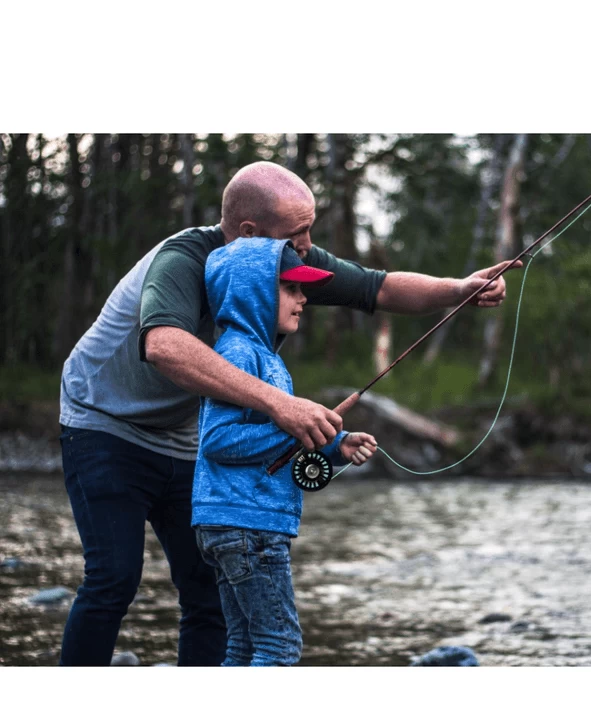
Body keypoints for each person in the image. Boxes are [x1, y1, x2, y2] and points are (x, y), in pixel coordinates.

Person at [58, 160, 520, 666]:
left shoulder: (282, 260)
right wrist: (281, 406)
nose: (307, 243)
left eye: (309, 228)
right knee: (114, 578)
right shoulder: (186, 260)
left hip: (186, 434)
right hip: (103, 420)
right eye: (298, 231)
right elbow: (164, 346)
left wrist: (457, 289)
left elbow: (377, 287)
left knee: (207, 591)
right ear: (250, 231)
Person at [193, 236, 377, 666]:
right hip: (247, 524)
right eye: (290, 288)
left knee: (242, 646)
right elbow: (217, 441)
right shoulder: (239, 353)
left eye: (303, 290)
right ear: (255, 291)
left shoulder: (266, 358)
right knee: (280, 645)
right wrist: (294, 431)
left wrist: (336, 444)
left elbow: (279, 433)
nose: (303, 299)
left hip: (234, 522)